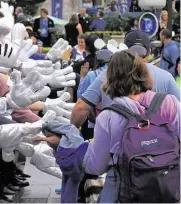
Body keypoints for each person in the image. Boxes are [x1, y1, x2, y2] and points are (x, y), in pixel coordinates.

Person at [42, 50, 180, 203]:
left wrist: (66, 144)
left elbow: (96, 167)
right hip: (169, 187)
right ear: (143, 73)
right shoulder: (170, 103)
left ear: (110, 78)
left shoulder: (108, 117)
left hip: (123, 191)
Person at [71, 30, 180, 129]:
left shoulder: (107, 74)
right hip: (158, 146)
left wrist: (72, 135)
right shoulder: (166, 77)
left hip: (115, 144)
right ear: (149, 51)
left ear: (123, 49)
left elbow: (81, 107)